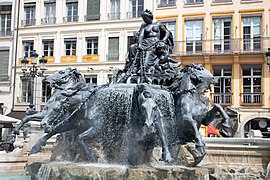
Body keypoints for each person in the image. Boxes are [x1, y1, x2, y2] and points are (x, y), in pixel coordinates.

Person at [137, 9, 173, 74]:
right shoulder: (144, 26)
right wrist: (139, 44)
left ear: (150, 17)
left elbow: (166, 32)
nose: (144, 20)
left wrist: (163, 40)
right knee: (132, 47)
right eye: (143, 18)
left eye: (145, 18)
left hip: (156, 43)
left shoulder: (158, 24)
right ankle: (135, 67)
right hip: (146, 42)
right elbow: (141, 36)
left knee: (149, 52)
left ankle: (145, 67)